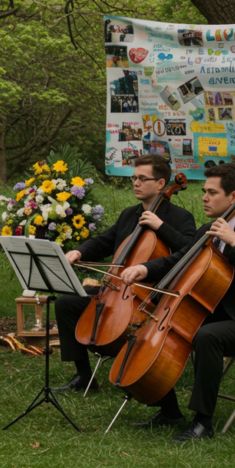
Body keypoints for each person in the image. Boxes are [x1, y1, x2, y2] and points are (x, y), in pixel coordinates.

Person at [120, 163, 235, 443]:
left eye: (211, 192)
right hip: (212, 314)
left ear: (234, 197)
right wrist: (144, 269)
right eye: (204, 191)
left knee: (207, 336)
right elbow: (178, 258)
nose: (204, 197)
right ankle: (169, 410)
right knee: (152, 324)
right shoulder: (207, 229)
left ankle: (203, 423)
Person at [54, 154, 197, 393]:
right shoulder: (129, 214)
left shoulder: (181, 217)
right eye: (134, 178)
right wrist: (79, 252)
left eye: (143, 178)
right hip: (117, 289)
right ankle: (83, 376)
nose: (136, 183)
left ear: (161, 184)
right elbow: (103, 242)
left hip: (151, 295)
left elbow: (190, 251)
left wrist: (160, 226)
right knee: (66, 303)